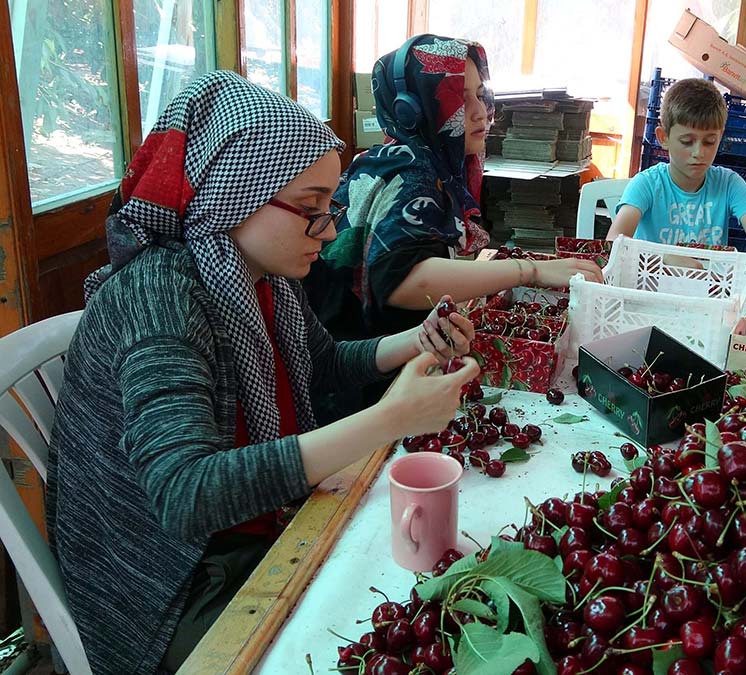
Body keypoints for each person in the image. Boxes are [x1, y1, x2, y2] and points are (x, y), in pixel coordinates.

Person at [45, 71, 480, 675]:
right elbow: (185, 495)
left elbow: (322, 364)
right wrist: (390, 419)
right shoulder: (164, 295)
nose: (328, 231)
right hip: (171, 581)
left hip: (244, 531)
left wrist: (416, 340)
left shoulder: (262, 271)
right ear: (235, 194)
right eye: (310, 209)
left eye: (330, 208)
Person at [306, 35, 602, 344]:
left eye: (478, 93)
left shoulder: (401, 157)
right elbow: (399, 280)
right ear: (413, 110)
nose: (480, 112)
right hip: (364, 371)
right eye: (458, 99)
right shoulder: (412, 172)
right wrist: (530, 271)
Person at [605, 78, 746, 270]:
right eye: (687, 141)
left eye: (709, 142)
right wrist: (663, 257)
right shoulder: (646, 184)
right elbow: (614, 242)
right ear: (663, 137)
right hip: (651, 289)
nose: (699, 152)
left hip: (708, 291)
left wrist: (745, 266)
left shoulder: (730, 184)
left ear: (720, 137)